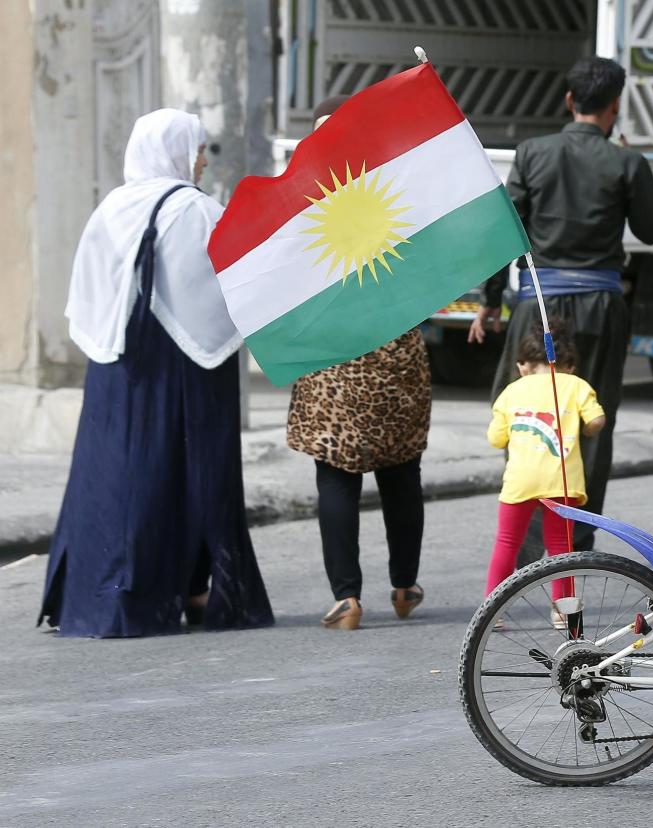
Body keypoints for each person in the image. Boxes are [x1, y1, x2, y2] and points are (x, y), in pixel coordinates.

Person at [39, 109, 273, 637]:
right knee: (192, 470)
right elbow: (228, 281)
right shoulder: (194, 211)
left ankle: (103, 591)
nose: (201, 161)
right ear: (173, 150)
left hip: (115, 367)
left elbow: (88, 292)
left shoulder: (110, 209)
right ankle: (192, 588)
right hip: (184, 368)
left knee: (118, 470)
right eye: (196, 149)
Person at [469, 56, 653, 557]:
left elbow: (504, 235)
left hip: (539, 305)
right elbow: (651, 231)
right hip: (601, 305)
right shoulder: (626, 162)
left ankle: (530, 549)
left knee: (525, 415)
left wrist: (491, 301)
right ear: (615, 106)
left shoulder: (532, 152)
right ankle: (574, 543)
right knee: (590, 422)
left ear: (569, 101)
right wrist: (631, 167)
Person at [285, 95, 432, 631]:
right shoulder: (396, 190)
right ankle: (404, 586)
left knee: (336, 476)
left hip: (333, 355)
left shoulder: (299, 202)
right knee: (401, 473)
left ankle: (346, 598)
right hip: (396, 352)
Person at [484, 325, 606, 627]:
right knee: (561, 548)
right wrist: (586, 428)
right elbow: (597, 420)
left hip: (520, 481)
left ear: (523, 366)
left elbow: (496, 439)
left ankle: (491, 611)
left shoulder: (511, 391)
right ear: (571, 365)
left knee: (507, 542)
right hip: (560, 480)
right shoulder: (576, 385)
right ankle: (563, 610)